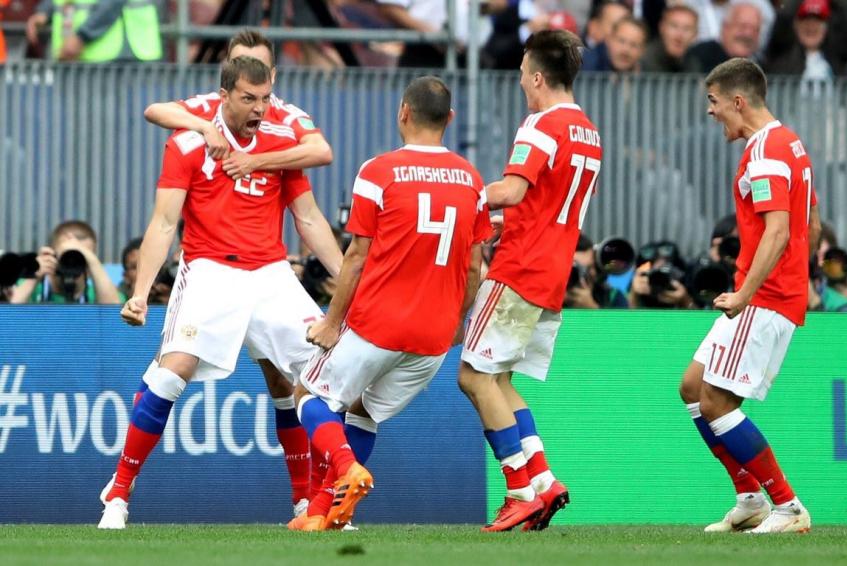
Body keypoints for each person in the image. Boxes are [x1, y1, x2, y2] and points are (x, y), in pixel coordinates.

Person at [96, 56, 343, 529]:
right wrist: (142, 293)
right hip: (210, 269)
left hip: (271, 273)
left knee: (318, 377)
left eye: (266, 98)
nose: (259, 108)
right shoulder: (189, 142)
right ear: (224, 95)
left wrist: (354, 288)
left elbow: (309, 219)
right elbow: (165, 221)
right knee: (173, 374)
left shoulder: (280, 145)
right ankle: (119, 492)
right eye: (248, 98)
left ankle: (308, 502)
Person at [289, 76, 490, 531]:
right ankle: (324, 515)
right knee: (364, 412)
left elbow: (356, 256)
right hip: (434, 338)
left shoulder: (379, 171)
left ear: (403, 112)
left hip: (377, 324)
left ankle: (345, 468)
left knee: (307, 395)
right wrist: (458, 324)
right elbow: (475, 266)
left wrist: (331, 323)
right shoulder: (472, 180)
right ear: (450, 119)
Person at [458, 30, 601, 532]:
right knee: (500, 381)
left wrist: (466, 196)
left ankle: (518, 489)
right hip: (553, 275)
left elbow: (514, 190)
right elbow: (547, 206)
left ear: (538, 77)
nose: (521, 84)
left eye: (522, 76)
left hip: (519, 270)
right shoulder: (588, 131)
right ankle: (543, 481)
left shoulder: (541, 126)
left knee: (473, 376)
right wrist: (501, 221)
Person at [679, 58, 822, 534]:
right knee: (693, 388)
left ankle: (787, 506)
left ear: (738, 102)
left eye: (714, 102)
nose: (710, 111)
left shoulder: (763, 155)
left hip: (763, 296)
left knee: (717, 402)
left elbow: (778, 232)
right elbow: (812, 223)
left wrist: (745, 293)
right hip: (775, 291)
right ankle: (749, 498)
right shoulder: (791, 144)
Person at [144, 29, 333, 180]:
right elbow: (154, 110)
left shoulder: (286, 115)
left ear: (272, 75)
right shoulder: (211, 104)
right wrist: (206, 127)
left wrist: (255, 162)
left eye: (258, 66)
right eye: (239, 64)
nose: (249, 71)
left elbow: (321, 151)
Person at [9, 220, 123, 304]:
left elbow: (114, 318)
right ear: (52, 255)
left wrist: (92, 261)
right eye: (66, 255)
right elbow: (6, 317)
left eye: (82, 256)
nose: (72, 261)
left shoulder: (99, 292)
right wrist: (35, 274)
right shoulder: (30, 289)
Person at [27, 0, 162, 62]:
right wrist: (45, 11)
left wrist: (81, 37)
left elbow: (111, 4)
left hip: (120, 54)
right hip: (79, 55)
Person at [686, 3, 763, 74]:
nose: (748, 34)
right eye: (742, 26)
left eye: (755, 29)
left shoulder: (762, 67)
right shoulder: (699, 57)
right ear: (725, 27)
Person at [641, 5, 699, 73]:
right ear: (662, 28)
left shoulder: (694, 65)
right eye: (674, 26)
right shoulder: (643, 61)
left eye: (687, 29)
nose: (679, 35)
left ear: (695, 35)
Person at [582, 16, 647, 73]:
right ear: (608, 39)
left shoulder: (645, 74)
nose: (626, 50)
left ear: (642, 51)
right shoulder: (584, 65)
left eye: (634, 45)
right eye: (621, 41)